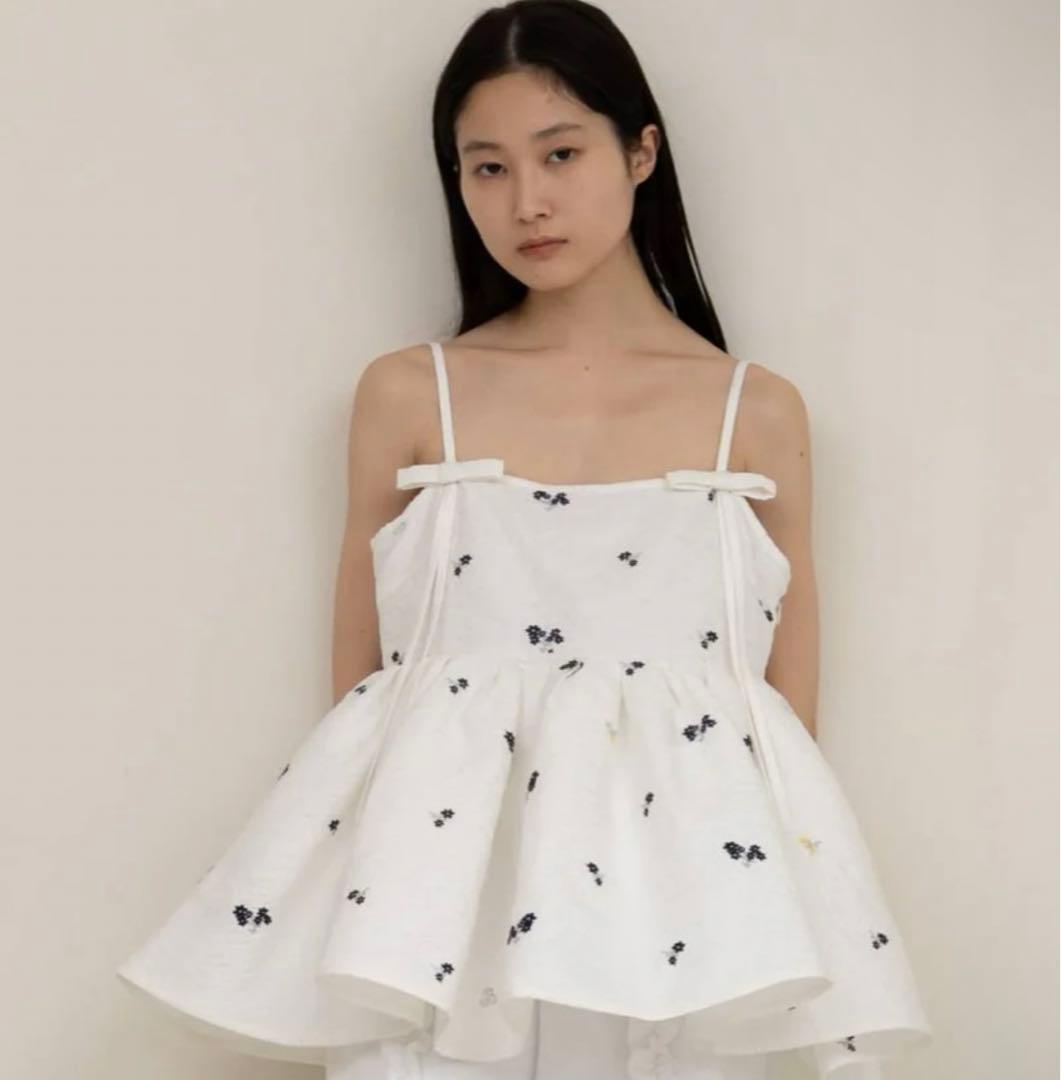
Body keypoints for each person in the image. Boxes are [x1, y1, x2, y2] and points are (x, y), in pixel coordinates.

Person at [116, 3, 933, 1077]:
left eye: (559, 154)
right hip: (441, 907)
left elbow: (779, 728)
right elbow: (361, 698)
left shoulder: (757, 414)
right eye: (486, 168)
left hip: (686, 904)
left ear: (640, 151)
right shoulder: (410, 395)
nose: (526, 202)